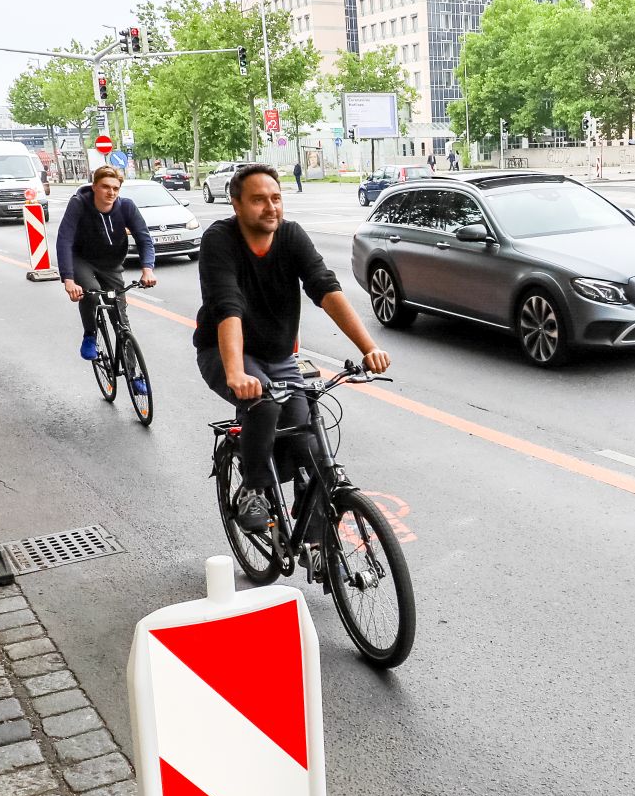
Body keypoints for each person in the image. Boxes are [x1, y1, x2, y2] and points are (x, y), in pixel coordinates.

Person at [198, 165, 390, 530]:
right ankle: (253, 490)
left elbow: (325, 288)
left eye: (276, 198)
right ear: (236, 204)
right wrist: (236, 371)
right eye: (258, 200)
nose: (271, 207)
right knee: (264, 403)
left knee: (311, 449)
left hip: (280, 356)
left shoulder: (291, 236)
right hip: (224, 353)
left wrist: (368, 347)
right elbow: (227, 305)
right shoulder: (220, 240)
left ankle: (317, 545)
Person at [57, 165, 158, 388]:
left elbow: (144, 239)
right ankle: (90, 334)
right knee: (91, 294)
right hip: (82, 259)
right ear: (94, 187)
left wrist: (147, 269)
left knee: (121, 321)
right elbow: (64, 240)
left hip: (111, 264)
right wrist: (69, 279)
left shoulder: (126, 207)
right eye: (105, 187)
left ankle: (134, 375)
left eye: (115, 188)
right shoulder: (80, 204)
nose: (110, 192)